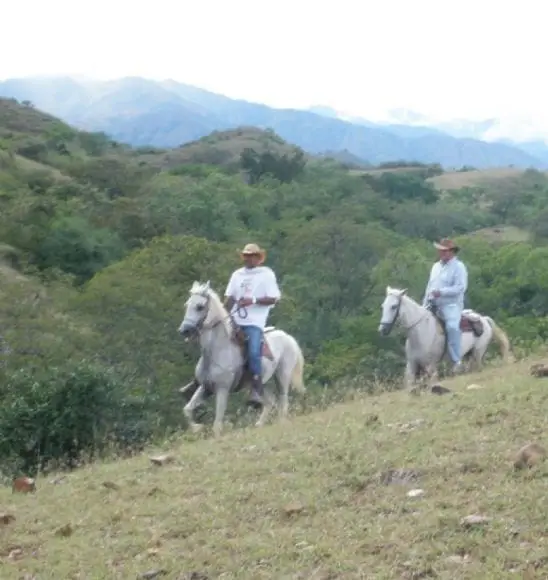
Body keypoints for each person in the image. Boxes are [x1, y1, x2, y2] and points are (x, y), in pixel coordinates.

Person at [224, 243, 282, 408]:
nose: (248, 258)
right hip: (235, 319)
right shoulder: (237, 275)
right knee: (214, 341)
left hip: (253, 321)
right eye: (246, 255)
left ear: (258, 258)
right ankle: (200, 379)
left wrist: (254, 300)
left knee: (254, 351)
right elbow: (230, 298)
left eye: (252, 256)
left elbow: (274, 298)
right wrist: (222, 315)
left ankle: (256, 388)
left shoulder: (266, 274)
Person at [422, 238, 468, 374]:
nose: (441, 252)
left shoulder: (459, 267)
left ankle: (456, 360)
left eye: (444, 250)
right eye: (440, 250)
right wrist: (424, 303)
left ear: (452, 252)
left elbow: (461, 288)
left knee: (452, 327)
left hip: (451, 304)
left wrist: (441, 292)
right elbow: (429, 286)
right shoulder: (435, 266)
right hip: (432, 303)